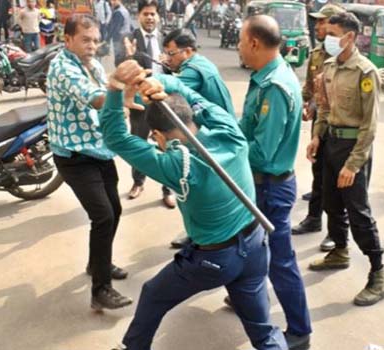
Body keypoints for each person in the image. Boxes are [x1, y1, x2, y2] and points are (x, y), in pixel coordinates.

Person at [101, 59, 288, 350]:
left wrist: (114, 89)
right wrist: (167, 84)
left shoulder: (178, 165)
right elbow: (198, 99)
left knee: (153, 293)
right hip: (254, 245)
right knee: (263, 333)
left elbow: (115, 137)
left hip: (214, 260)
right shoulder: (229, 131)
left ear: (158, 136)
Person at [46, 14, 132, 311]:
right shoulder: (62, 68)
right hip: (74, 156)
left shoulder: (94, 65)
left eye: (96, 40)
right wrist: (124, 91)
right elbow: (95, 98)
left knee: (114, 209)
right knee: (104, 215)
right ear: (67, 39)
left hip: (98, 149)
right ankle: (101, 290)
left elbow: (106, 95)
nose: (92, 46)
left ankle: (98, 264)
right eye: (85, 40)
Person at [237, 15, 312, 350]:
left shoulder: (276, 88)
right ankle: (245, 295)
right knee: (249, 248)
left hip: (271, 185)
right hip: (262, 183)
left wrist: (230, 152)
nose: (238, 47)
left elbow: (263, 152)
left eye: (240, 41)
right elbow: (247, 127)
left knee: (280, 261)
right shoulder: (265, 77)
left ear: (254, 42)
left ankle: (300, 330)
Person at [306, 12, 384, 307]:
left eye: (332, 33)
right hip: (330, 143)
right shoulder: (329, 66)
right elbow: (325, 109)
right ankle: (339, 250)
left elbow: (370, 126)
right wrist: (317, 135)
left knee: (358, 211)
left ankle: (378, 272)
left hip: (353, 147)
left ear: (349, 37)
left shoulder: (366, 72)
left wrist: (353, 164)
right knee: (330, 202)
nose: (325, 38)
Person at [161, 28, 236, 249]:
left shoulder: (192, 71)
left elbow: (170, 97)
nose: (167, 58)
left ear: (188, 51)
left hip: (211, 137)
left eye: (171, 53)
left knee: (196, 188)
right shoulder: (201, 62)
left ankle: (199, 234)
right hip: (219, 130)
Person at [291, 4, 344, 253]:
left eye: (323, 22)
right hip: (320, 121)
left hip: (341, 126)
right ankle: (314, 218)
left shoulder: (345, 56)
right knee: (318, 172)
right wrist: (304, 101)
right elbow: (311, 86)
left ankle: (336, 233)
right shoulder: (316, 54)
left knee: (335, 180)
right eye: (318, 22)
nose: (319, 26)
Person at [116, 0, 176, 208]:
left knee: (168, 145)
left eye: (153, 14)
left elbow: (178, 67)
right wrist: (130, 56)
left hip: (163, 100)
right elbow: (119, 63)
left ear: (158, 17)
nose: (150, 18)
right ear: (138, 16)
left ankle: (168, 189)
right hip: (141, 101)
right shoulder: (129, 38)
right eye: (145, 14)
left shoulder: (167, 39)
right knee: (139, 143)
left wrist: (168, 62)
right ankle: (138, 182)